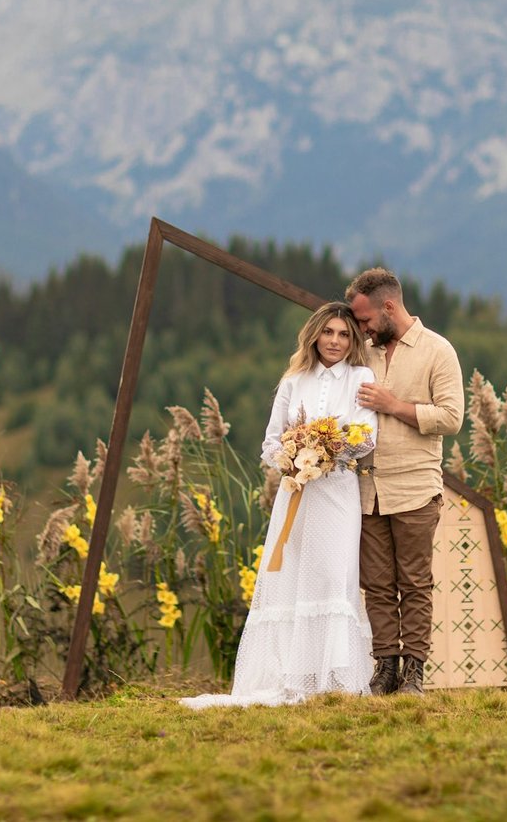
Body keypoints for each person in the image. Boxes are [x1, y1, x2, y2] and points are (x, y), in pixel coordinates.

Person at [181, 302, 379, 709]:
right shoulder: (293, 381)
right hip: (295, 494)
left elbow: (367, 438)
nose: (336, 341)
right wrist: (292, 456)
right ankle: (293, 672)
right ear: (314, 336)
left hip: (338, 491)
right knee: (291, 575)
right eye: (328, 333)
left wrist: (328, 449)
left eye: (344, 334)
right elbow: (270, 443)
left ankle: (336, 677)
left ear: (353, 339)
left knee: (331, 575)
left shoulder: (361, 377)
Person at [346, 267, 464, 696]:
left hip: (415, 487)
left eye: (364, 319)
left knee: (414, 583)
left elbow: (451, 418)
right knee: (376, 584)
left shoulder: (438, 351)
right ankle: (385, 668)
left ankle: (414, 671)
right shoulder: (364, 353)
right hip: (365, 490)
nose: (360, 328)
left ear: (389, 307)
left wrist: (394, 405)